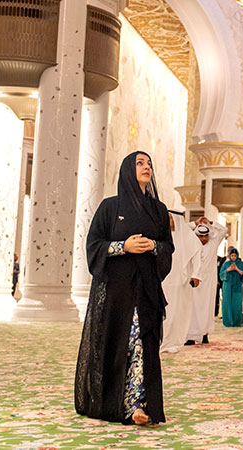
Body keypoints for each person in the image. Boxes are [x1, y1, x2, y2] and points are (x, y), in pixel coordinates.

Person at [74, 151, 174, 425]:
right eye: (140, 163)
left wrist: (154, 246)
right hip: (116, 293)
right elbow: (94, 245)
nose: (147, 167)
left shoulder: (159, 210)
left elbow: (168, 247)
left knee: (142, 343)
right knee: (124, 343)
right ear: (128, 170)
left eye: (149, 164)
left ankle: (139, 406)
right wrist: (122, 247)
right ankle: (118, 403)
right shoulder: (110, 207)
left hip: (146, 292)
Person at [160, 211, 202, 353]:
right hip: (163, 280)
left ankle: (174, 341)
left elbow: (197, 254)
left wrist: (196, 275)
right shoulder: (161, 235)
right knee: (163, 312)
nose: (169, 220)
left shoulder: (188, 236)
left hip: (181, 282)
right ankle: (162, 341)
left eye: (171, 218)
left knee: (177, 312)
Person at [186, 217, 227, 345]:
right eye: (200, 236)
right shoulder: (191, 244)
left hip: (208, 284)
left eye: (206, 236)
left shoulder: (213, 243)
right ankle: (191, 336)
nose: (204, 239)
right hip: (194, 282)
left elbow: (224, 229)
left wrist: (210, 223)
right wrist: (195, 223)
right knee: (192, 310)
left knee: (207, 310)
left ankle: (204, 334)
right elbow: (182, 229)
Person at [219, 247, 243, 327]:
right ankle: (228, 321)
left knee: (237, 304)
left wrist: (237, 269)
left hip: (238, 287)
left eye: (235, 256)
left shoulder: (241, 264)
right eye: (232, 256)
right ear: (230, 256)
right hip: (227, 287)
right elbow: (221, 275)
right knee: (227, 303)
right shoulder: (226, 264)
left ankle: (237, 321)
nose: (233, 257)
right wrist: (228, 270)